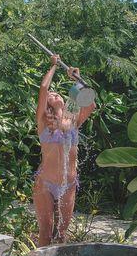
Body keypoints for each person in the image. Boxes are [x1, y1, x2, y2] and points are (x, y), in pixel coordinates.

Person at [34, 54, 95, 246]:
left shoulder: (72, 121)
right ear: (47, 105)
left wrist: (77, 78)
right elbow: (43, 88)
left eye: (58, 93)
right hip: (45, 183)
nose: (55, 94)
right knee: (45, 233)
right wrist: (53, 66)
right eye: (52, 95)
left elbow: (91, 103)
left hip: (68, 184)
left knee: (61, 234)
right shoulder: (44, 124)